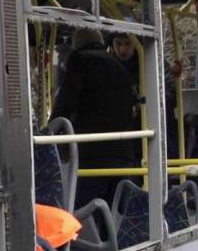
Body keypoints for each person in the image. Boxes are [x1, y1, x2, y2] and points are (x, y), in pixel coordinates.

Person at [51, 27, 138, 205]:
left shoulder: (79, 60)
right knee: (115, 212)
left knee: (87, 210)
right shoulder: (117, 63)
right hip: (123, 151)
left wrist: (52, 128)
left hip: (92, 153)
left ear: (76, 45)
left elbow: (67, 101)